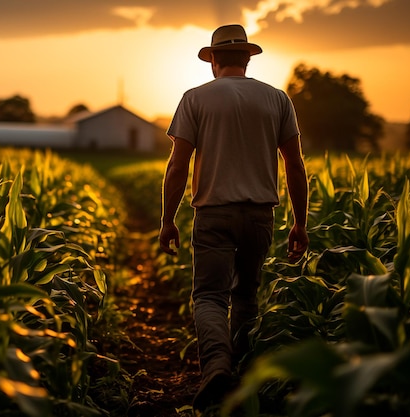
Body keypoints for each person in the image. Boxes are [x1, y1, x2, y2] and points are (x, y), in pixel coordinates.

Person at [158, 24, 309, 414]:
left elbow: (178, 166)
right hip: (261, 214)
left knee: (209, 295)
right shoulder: (277, 99)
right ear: (246, 58)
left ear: (213, 61)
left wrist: (167, 219)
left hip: (213, 213)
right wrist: (299, 223)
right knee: (246, 295)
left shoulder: (195, 98)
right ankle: (243, 378)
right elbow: (294, 164)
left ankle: (216, 371)